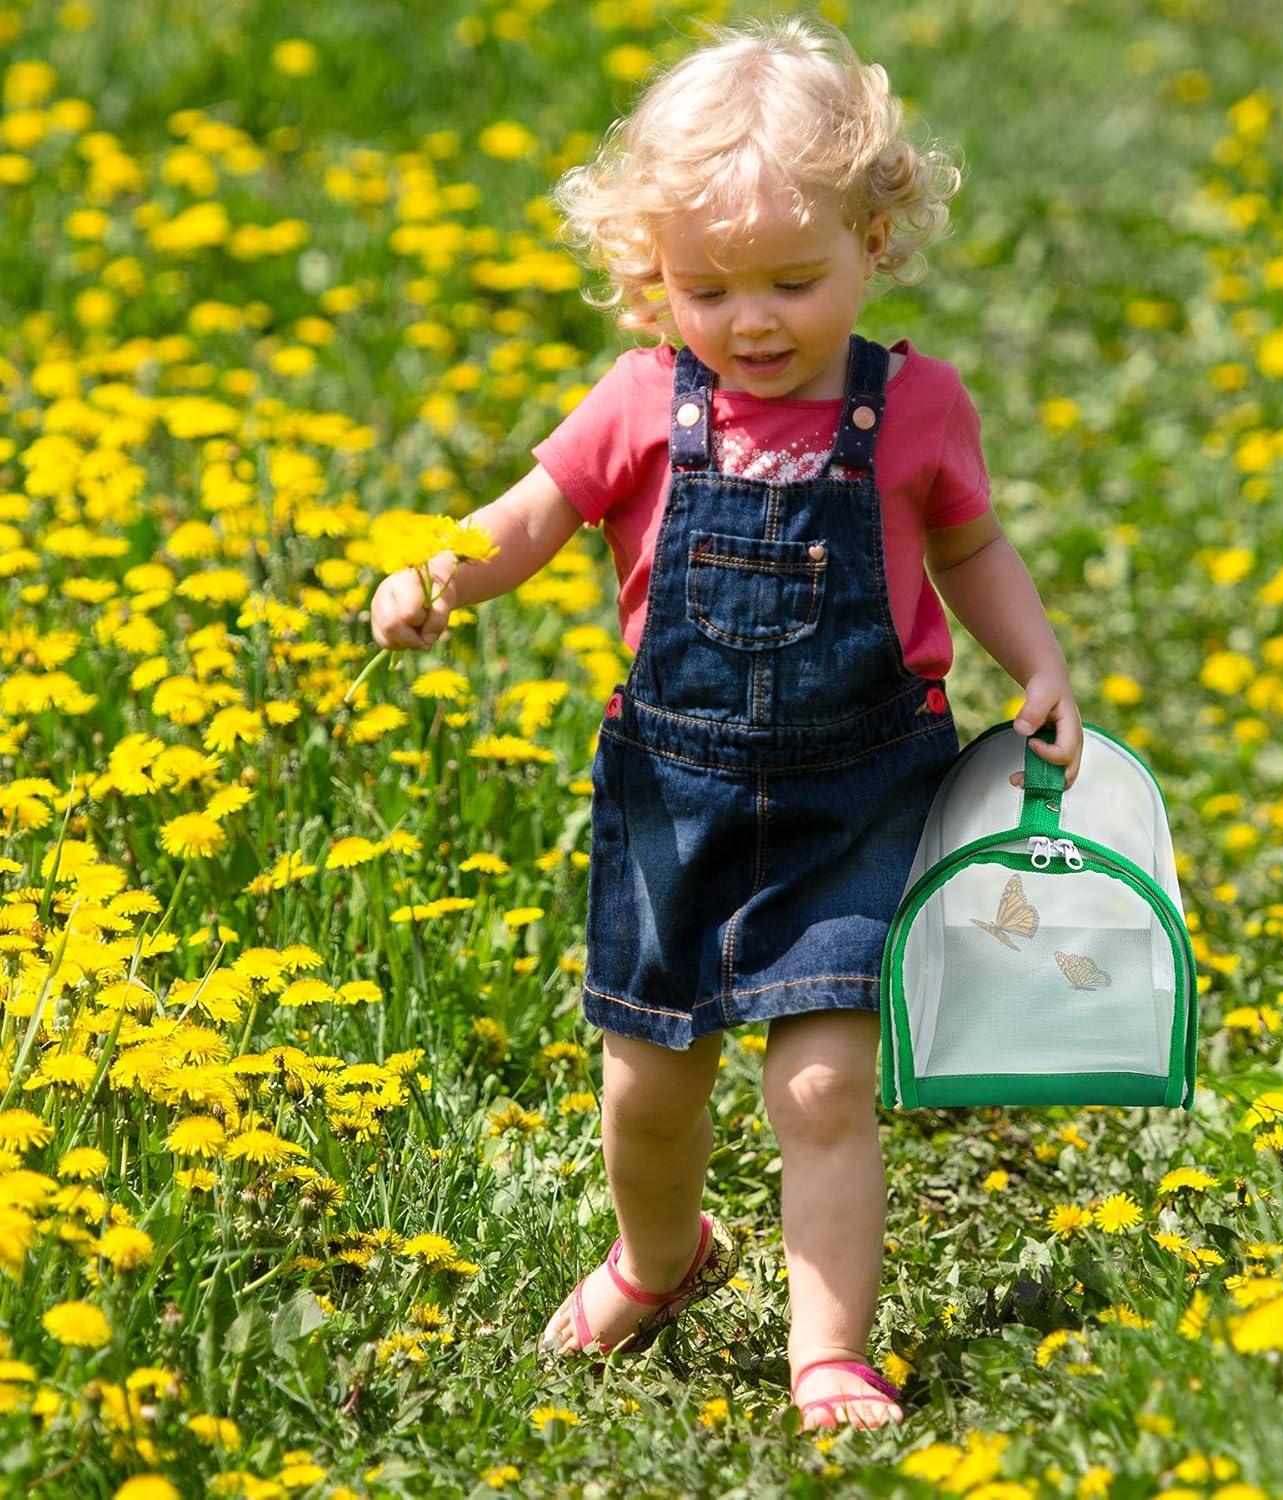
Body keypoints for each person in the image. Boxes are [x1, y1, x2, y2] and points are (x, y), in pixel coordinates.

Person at [370, 13, 1083, 1431]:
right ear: (652, 279)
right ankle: (661, 1253)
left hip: (858, 797)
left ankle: (828, 1351)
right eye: (708, 289)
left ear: (875, 240)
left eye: (791, 281)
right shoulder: (642, 400)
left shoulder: (916, 408)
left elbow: (970, 549)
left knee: (822, 1086)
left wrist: (1040, 661)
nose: (751, 320)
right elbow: (535, 513)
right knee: (648, 1087)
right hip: (674, 801)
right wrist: (440, 572)